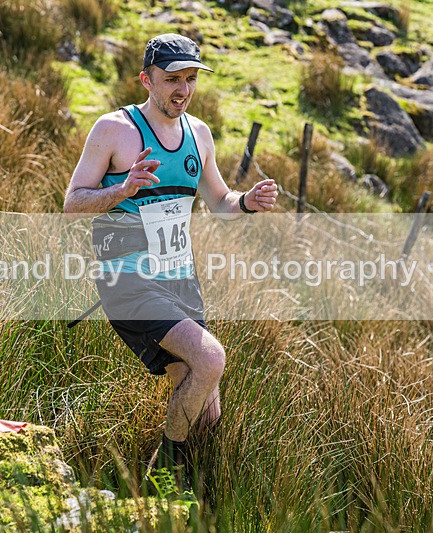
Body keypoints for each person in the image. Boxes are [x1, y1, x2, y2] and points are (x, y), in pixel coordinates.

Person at [63, 33, 278, 505]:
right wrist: (123, 189)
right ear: (147, 79)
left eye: (190, 79)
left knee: (207, 409)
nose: (182, 90)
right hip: (127, 280)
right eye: (172, 79)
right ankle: (164, 474)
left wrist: (248, 202)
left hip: (180, 280)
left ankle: (196, 495)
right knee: (211, 359)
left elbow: (219, 201)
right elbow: (72, 203)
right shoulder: (115, 130)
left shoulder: (199, 133)